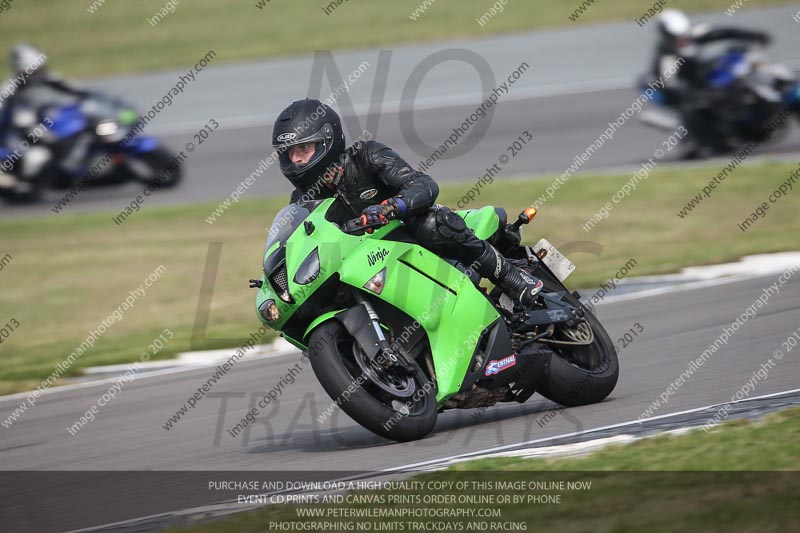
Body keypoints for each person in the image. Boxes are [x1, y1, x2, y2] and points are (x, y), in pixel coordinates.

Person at [271, 98, 543, 309]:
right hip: (373, 269)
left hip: (419, 244)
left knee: (431, 222)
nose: (296, 161)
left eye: (303, 150)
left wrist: (390, 208)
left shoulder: (366, 156)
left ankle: (512, 277)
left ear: (327, 143)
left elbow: (424, 185)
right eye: (290, 153)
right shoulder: (304, 202)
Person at [0, 44, 92, 177]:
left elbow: (75, 88)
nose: (36, 73)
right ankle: (27, 177)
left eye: (38, 69)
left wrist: (86, 96)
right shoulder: (10, 87)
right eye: (32, 71)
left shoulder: (47, 76)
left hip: (40, 120)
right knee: (35, 152)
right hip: (12, 131)